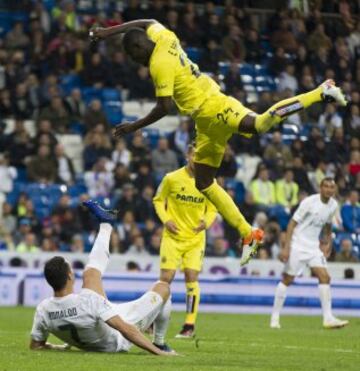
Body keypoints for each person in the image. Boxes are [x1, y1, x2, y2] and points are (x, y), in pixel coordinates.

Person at [90, 19, 347, 263]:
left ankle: (319, 93)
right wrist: (108, 32)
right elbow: (145, 22)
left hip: (213, 108)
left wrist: (133, 126)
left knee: (259, 124)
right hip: (206, 120)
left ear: (138, 47)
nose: (137, 61)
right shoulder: (164, 35)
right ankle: (248, 233)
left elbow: (163, 107)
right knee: (203, 182)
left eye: (134, 56)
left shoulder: (158, 64)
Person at [30, 201, 176, 355]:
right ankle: (159, 343)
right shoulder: (89, 301)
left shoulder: (43, 309)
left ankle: (106, 224)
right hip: (118, 339)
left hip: (102, 320)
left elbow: (36, 345)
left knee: (91, 274)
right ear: (69, 276)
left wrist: (57, 347)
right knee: (163, 287)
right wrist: (159, 354)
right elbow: (126, 329)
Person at [153, 144, 217, 338]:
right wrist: (166, 220)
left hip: (195, 239)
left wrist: (205, 223)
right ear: (188, 155)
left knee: (191, 276)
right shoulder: (171, 178)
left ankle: (189, 325)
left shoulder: (209, 182)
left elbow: (213, 208)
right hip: (172, 237)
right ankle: (152, 319)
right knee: (166, 278)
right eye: (195, 155)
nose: (198, 160)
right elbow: (158, 199)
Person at [270, 178, 349, 329]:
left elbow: (327, 224)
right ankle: (274, 318)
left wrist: (328, 243)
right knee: (288, 279)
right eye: (326, 186)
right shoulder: (308, 202)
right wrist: (286, 247)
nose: (329, 190)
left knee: (325, 276)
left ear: (335, 190)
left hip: (313, 247)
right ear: (320, 188)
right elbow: (292, 223)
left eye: (332, 187)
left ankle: (328, 318)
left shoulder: (333, 205)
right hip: (298, 244)